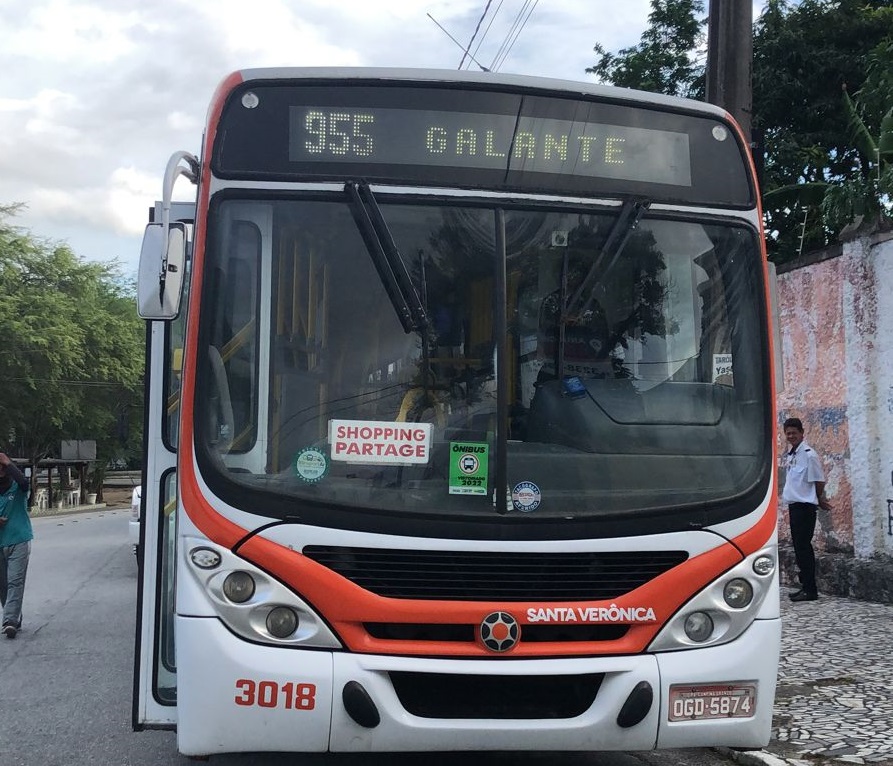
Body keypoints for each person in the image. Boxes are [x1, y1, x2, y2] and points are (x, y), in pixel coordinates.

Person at [781, 417, 830, 602]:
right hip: (795, 507)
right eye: (788, 433)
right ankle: (806, 587)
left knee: (804, 549)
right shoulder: (792, 454)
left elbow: (819, 480)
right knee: (800, 548)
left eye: (794, 432)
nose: (791, 436)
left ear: (802, 433)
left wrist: (818, 498)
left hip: (805, 507)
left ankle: (810, 590)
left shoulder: (809, 455)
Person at [0, 452, 32, 638]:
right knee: (3, 585)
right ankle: (14, 616)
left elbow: (25, 483)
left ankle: (9, 620)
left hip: (19, 539)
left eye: (2, 466)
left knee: (15, 581)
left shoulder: (17, 487)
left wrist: (8, 462)